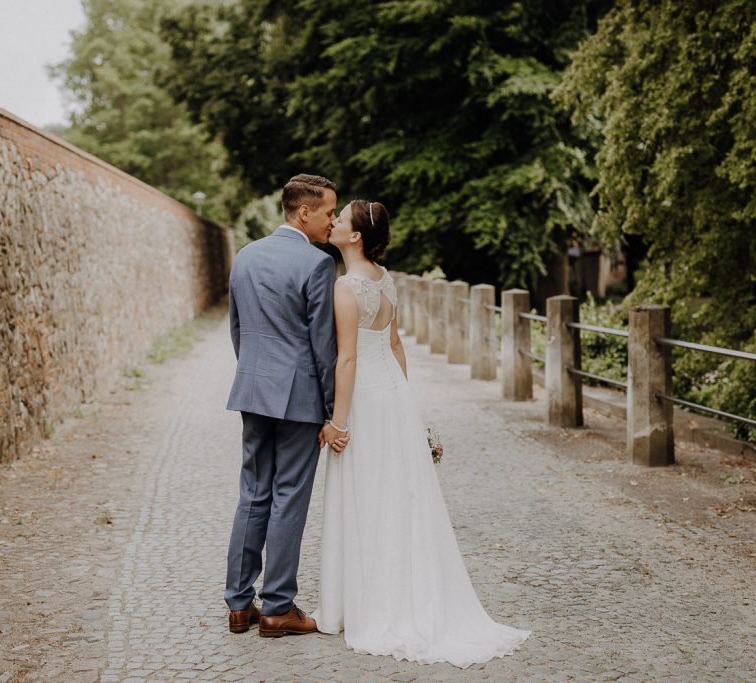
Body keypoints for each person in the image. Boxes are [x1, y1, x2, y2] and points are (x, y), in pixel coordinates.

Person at [312, 199, 531, 667]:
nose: (332, 222)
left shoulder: (346, 288)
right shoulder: (385, 280)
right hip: (393, 396)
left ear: (354, 237)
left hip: (366, 402)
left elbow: (346, 359)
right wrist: (407, 408)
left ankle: (370, 605)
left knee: (369, 497)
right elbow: (393, 346)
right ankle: (396, 593)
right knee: (398, 497)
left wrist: (338, 422)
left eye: (341, 219)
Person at [224, 173, 348, 637]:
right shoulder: (317, 265)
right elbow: (323, 347)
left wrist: (256, 377)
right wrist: (333, 411)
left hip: (253, 391)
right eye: (329, 212)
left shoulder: (246, 256)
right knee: (288, 497)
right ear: (304, 212)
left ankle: (239, 606)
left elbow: (237, 329)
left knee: (253, 492)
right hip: (299, 398)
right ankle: (277, 607)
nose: (332, 219)